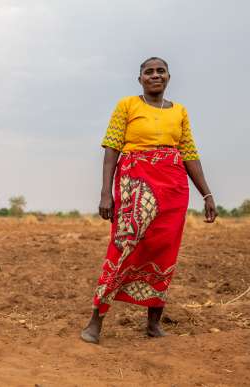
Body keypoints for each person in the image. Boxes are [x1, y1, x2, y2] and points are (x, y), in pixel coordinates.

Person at [81, 57, 218, 344]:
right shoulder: (127, 105)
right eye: (149, 72)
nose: (155, 75)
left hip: (173, 188)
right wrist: (106, 193)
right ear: (140, 78)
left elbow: (189, 153)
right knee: (124, 246)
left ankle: (154, 323)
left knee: (164, 250)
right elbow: (111, 149)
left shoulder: (179, 111)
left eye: (161, 71)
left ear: (169, 76)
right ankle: (96, 320)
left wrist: (207, 194)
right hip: (135, 182)